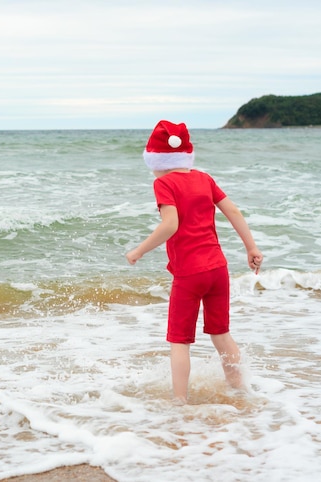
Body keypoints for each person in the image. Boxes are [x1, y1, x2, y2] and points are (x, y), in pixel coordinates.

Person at [125, 120, 263, 405]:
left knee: (179, 341)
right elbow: (233, 211)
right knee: (222, 334)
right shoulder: (204, 178)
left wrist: (139, 250)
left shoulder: (163, 183)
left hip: (189, 273)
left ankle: (179, 402)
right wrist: (251, 247)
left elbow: (170, 224)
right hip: (217, 269)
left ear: (157, 158)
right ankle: (240, 391)